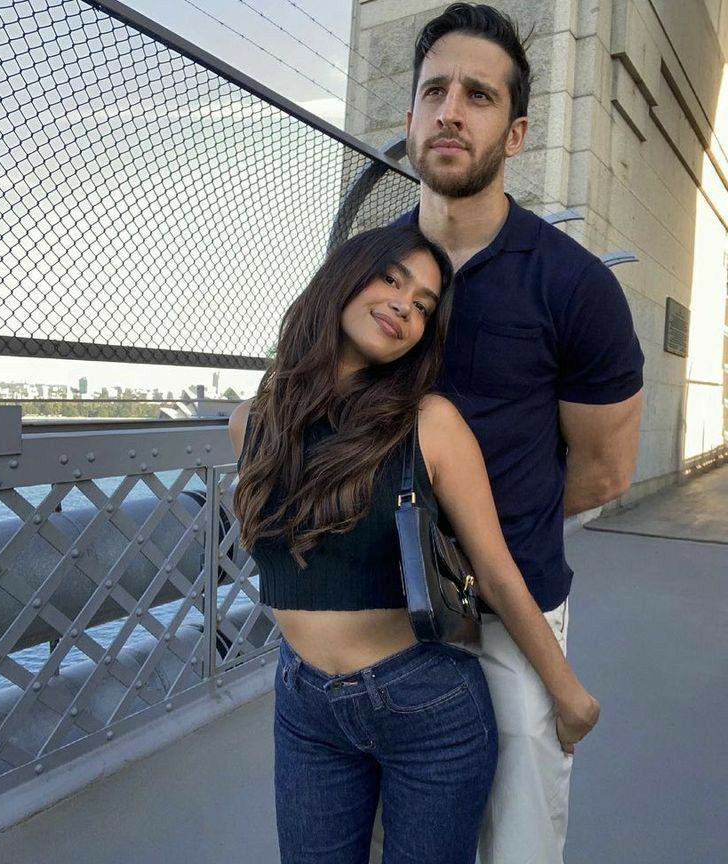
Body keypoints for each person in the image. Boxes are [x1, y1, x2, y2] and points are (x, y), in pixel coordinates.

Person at [229, 224, 600, 864]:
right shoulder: (254, 422)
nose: (406, 305)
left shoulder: (430, 423)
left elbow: (494, 569)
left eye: (425, 304)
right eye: (392, 279)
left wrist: (570, 696)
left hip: (425, 706)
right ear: (342, 279)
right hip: (304, 704)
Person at [369, 4, 645, 864]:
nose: (452, 110)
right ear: (412, 117)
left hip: (512, 614)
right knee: (389, 840)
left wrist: (483, 525)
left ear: (515, 132)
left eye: (479, 95)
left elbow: (603, 473)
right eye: (435, 91)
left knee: (518, 845)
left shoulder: (575, 287)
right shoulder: (364, 274)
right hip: (380, 609)